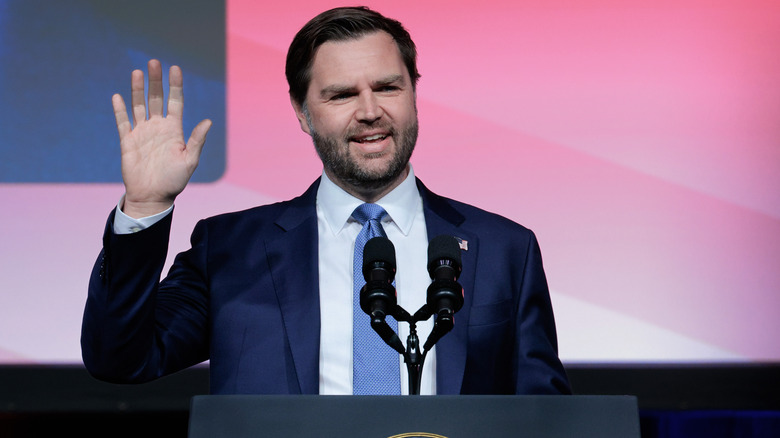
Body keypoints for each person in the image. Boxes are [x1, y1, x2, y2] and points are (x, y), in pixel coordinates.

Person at [81, 6, 570, 396]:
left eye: (387, 87)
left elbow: (545, 414)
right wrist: (144, 206)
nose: (371, 111)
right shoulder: (230, 249)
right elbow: (121, 359)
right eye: (341, 95)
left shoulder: (505, 247)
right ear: (302, 112)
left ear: (414, 93)